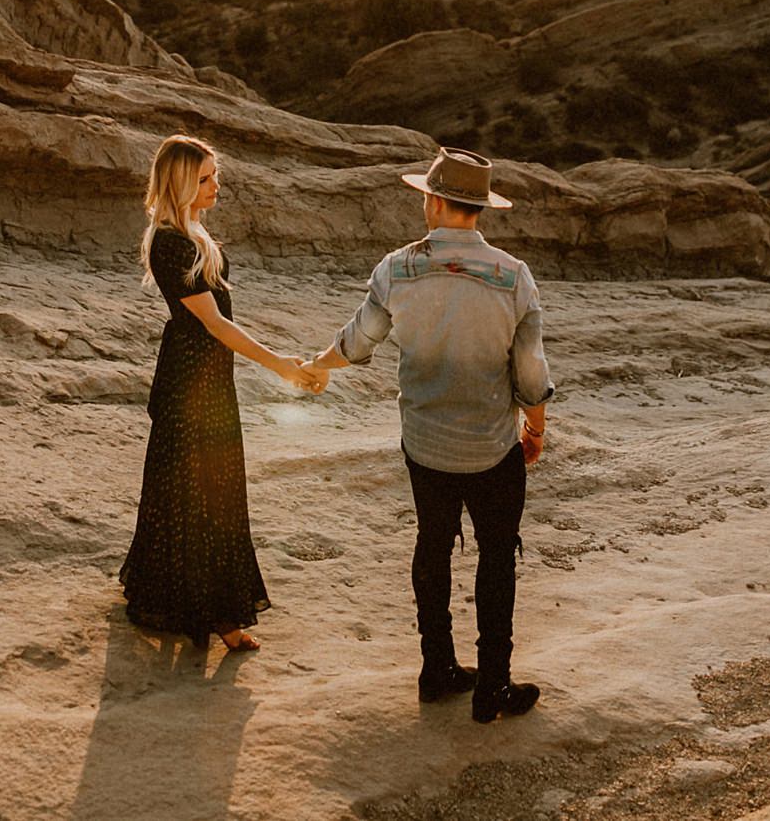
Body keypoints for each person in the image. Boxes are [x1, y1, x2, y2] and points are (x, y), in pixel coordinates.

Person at [309, 147, 554, 722]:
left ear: (436, 201)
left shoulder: (396, 268)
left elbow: (357, 342)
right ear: (477, 208)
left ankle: (436, 670)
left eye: (426, 194)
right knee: (497, 559)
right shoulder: (513, 276)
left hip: (425, 445)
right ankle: (493, 687)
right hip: (493, 447)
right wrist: (535, 428)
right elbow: (531, 372)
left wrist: (316, 366)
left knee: (432, 548)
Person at [119, 133, 323, 652]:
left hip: (208, 378)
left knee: (206, 488)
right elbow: (215, 325)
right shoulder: (169, 241)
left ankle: (192, 603)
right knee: (201, 491)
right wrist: (280, 365)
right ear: (181, 183)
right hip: (190, 383)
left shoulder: (193, 233)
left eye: (215, 176)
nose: (216, 185)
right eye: (205, 178)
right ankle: (214, 616)